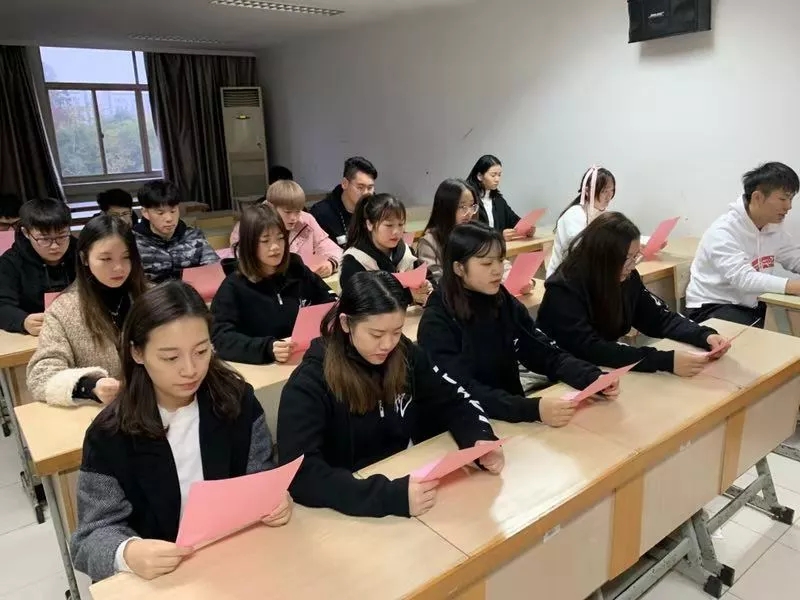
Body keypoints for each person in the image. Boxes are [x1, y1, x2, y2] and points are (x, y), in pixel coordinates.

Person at [70, 281, 290, 582]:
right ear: (137, 352)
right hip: (162, 578)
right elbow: (89, 538)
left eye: (201, 351)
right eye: (171, 358)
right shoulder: (110, 434)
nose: (190, 369)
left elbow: (260, 474)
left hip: (234, 558)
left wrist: (274, 498)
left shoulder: (236, 401)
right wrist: (127, 553)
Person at [278, 271, 503, 518]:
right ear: (346, 323)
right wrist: (388, 497)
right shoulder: (310, 382)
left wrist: (479, 438)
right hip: (347, 509)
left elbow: (453, 398)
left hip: (406, 480)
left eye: (397, 331)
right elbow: (302, 474)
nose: (387, 344)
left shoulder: (404, 353)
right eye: (376, 334)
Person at [417, 222, 619, 428]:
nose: (497, 270)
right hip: (463, 426)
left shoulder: (501, 300)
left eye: (500, 260)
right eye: (487, 264)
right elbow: (461, 391)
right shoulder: (437, 321)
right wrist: (532, 409)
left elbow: (541, 350)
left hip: (510, 416)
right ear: (459, 268)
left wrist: (591, 377)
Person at [538, 212, 729, 377]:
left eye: (635, 256)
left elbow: (658, 318)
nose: (631, 266)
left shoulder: (626, 277)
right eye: (626, 259)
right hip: (560, 374)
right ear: (603, 257)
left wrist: (704, 335)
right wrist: (665, 361)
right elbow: (591, 349)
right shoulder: (564, 290)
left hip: (600, 369)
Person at [27, 215, 149, 405]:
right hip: (103, 412)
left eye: (126, 257)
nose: (118, 267)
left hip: (158, 403)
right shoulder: (64, 310)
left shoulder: (150, 298)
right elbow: (41, 376)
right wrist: (91, 386)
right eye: (106, 259)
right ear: (85, 258)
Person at [212, 204, 336, 365]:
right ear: (249, 244)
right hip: (264, 367)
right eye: (265, 240)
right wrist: (266, 348)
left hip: (308, 358)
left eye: (280, 238)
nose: (275, 247)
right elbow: (220, 338)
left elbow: (330, 301)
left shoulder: (297, 270)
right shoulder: (233, 286)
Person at [686, 162, 800, 326]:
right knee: (769, 334)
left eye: (790, 199)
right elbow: (743, 278)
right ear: (757, 197)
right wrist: (793, 286)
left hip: (751, 304)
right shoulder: (723, 231)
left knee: (788, 323)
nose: (788, 206)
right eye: (783, 199)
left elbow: (794, 258)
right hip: (712, 306)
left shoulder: (772, 227)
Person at [229, 180, 343, 277]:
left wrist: (331, 263)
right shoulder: (249, 224)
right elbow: (242, 261)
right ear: (270, 206)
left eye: (298, 211)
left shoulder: (306, 220)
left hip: (301, 282)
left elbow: (331, 248)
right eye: (287, 212)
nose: (294, 218)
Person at [0, 198, 76, 335]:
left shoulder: (83, 253)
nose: (55, 246)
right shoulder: (10, 262)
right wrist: (23, 321)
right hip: (36, 335)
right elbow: (2, 305)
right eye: (44, 239)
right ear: (26, 233)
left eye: (62, 236)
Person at [339, 193, 432, 306]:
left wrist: (427, 287)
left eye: (401, 224)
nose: (396, 231)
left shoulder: (406, 252)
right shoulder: (354, 261)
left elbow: (428, 278)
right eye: (389, 225)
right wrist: (408, 295)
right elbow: (359, 305)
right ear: (369, 224)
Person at [132, 179, 218, 283]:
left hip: (192, 290)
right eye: (160, 213)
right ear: (145, 212)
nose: (169, 218)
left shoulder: (193, 236)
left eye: (173, 211)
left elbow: (213, 268)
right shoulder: (133, 242)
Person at [547, 166, 616, 278]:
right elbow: (580, 250)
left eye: (611, 190)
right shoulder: (574, 214)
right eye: (604, 191)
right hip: (563, 279)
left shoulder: (605, 214)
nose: (609, 196)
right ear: (588, 191)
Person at [417, 179, 479, 283]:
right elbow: (436, 280)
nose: (469, 212)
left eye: (472, 206)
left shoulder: (476, 234)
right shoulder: (429, 242)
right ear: (446, 209)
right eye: (462, 206)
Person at [310, 156, 377, 248]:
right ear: (345, 183)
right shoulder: (321, 213)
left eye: (370, 188)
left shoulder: (377, 210)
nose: (366, 193)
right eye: (360, 187)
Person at [466, 155, 527, 241]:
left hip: (498, 247)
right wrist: (499, 235)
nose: (497, 179)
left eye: (499, 175)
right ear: (479, 176)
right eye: (493, 175)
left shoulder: (498, 199)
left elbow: (513, 220)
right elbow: (469, 232)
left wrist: (526, 229)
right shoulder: (469, 200)